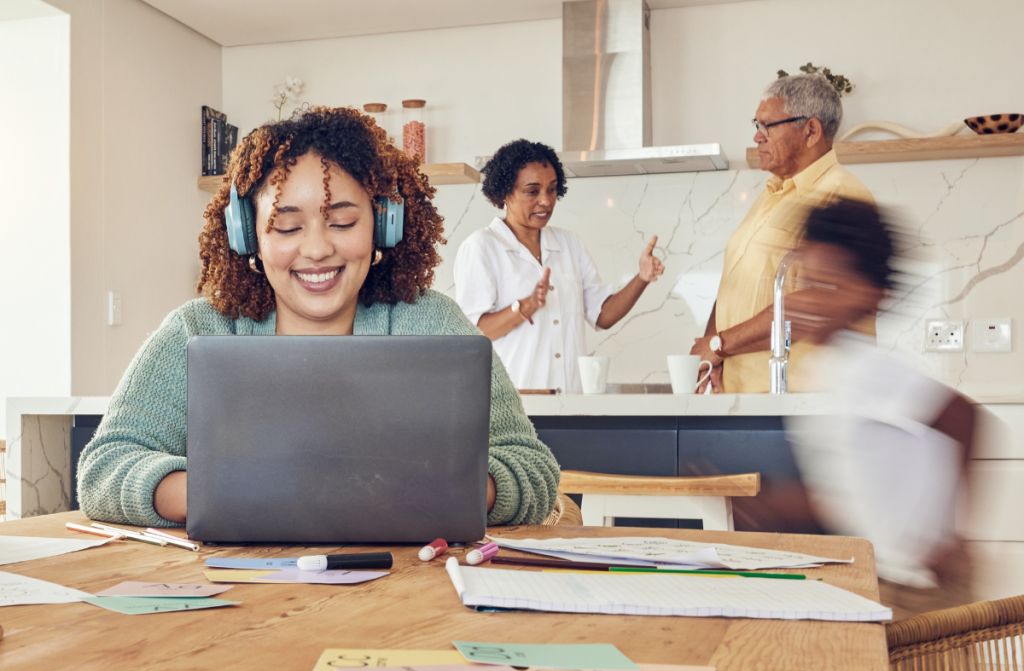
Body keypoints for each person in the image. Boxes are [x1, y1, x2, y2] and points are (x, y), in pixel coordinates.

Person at [77, 107, 559, 528]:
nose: (317, 248)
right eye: (286, 225)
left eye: (343, 222)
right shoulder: (197, 330)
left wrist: (438, 491)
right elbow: (104, 468)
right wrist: (233, 494)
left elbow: (532, 469)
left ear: (384, 225)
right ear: (248, 235)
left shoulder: (432, 321)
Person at [786, 198, 976, 619]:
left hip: (921, 590)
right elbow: (854, 476)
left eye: (829, 287)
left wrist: (953, 534)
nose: (809, 300)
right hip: (879, 578)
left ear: (874, 295)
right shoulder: (826, 368)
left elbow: (964, 416)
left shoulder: (870, 368)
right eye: (806, 281)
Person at [690, 73, 875, 393]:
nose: (758, 137)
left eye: (768, 126)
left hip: (803, 404)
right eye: (756, 125)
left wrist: (720, 344)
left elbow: (818, 305)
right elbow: (732, 284)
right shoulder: (771, 195)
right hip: (748, 399)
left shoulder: (841, 196)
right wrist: (713, 352)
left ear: (811, 131)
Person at [453, 139, 665, 393]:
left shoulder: (569, 244)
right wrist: (523, 307)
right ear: (505, 194)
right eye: (533, 191)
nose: (546, 201)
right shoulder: (482, 247)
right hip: (515, 405)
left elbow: (603, 315)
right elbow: (473, 335)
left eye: (552, 190)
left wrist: (641, 278)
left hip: (571, 401)